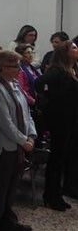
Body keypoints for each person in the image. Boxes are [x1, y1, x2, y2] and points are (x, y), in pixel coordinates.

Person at [0, 51, 35, 231]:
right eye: (15, 66)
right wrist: (23, 140)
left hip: (20, 144)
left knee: (11, 186)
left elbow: (27, 113)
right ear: (4, 67)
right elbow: (4, 122)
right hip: (6, 146)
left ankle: (7, 221)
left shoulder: (15, 84)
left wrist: (31, 135)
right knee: (0, 187)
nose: (19, 69)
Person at [36, 41, 78, 210]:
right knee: (56, 159)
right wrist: (52, 99)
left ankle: (57, 193)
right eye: (74, 48)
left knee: (64, 158)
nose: (77, 50)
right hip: (60, 120)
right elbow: (39, 83)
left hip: (70, 119)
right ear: (65, 52)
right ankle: (50, 195)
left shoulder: (71, 69)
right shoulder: (57, 71)